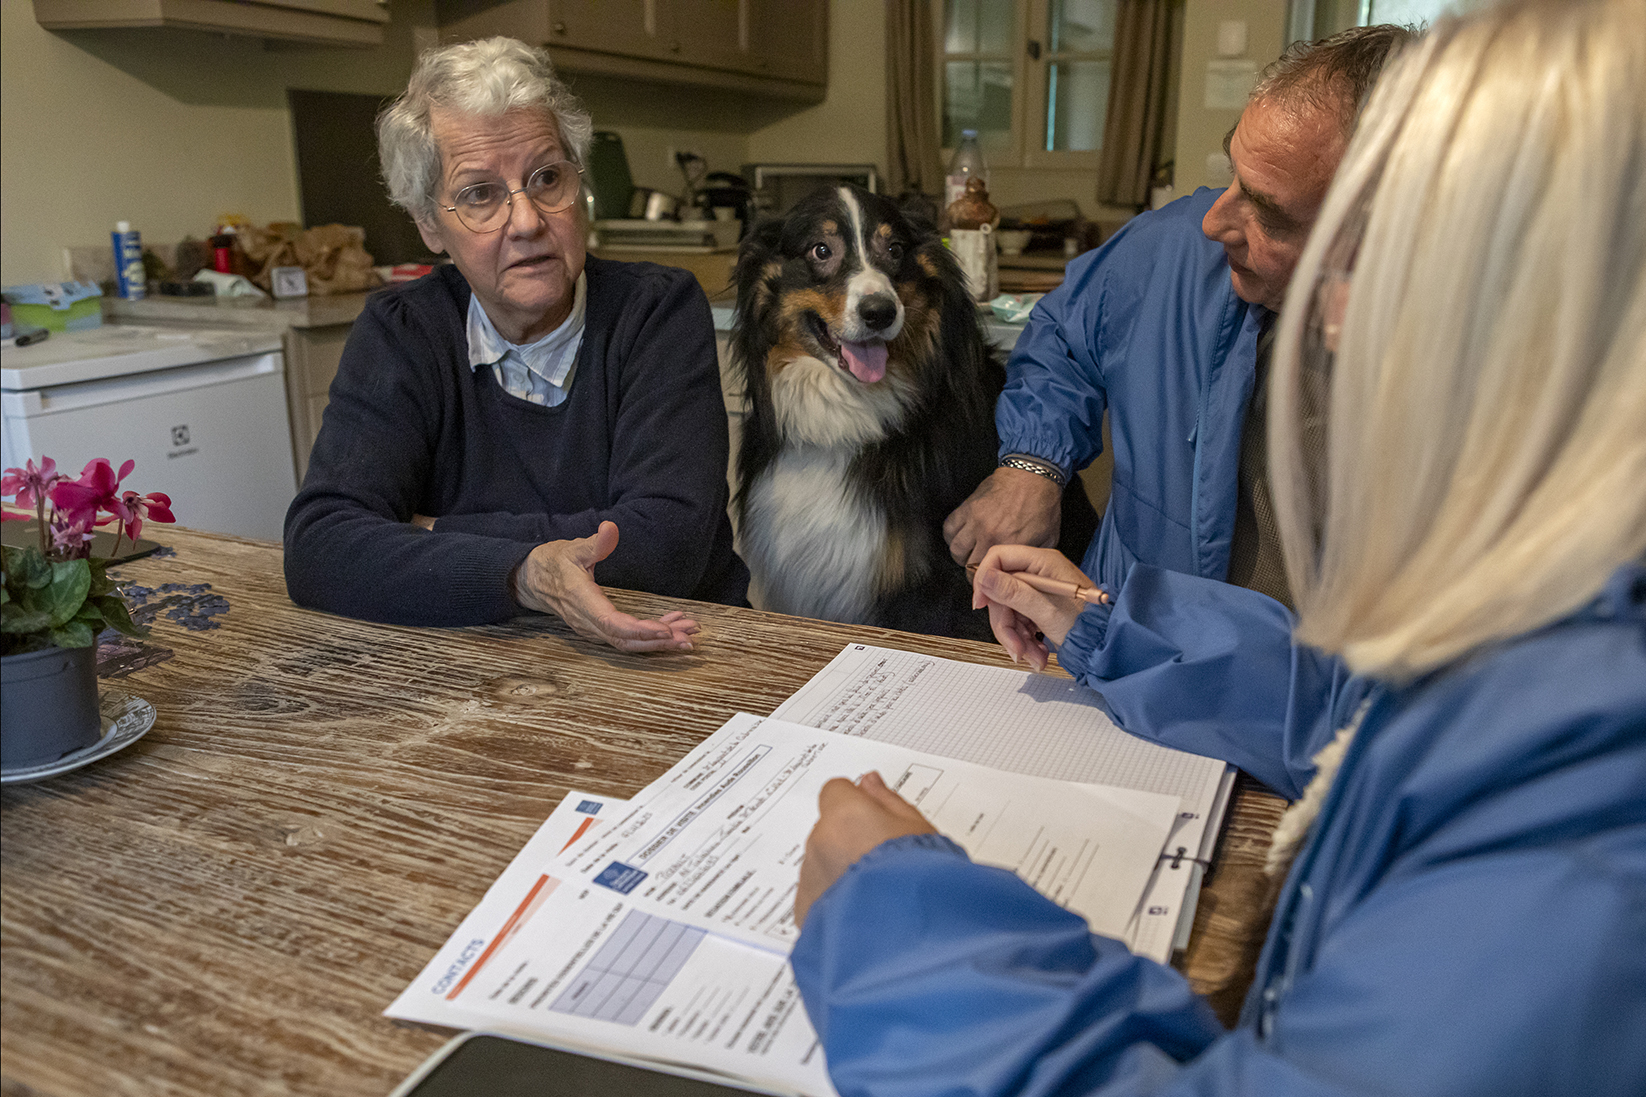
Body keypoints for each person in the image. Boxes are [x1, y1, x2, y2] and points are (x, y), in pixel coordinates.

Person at [791, 1, 1646, 1094]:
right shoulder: (1547, 623)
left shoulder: (1590, 846)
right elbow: (1352, 712)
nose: (1330, 323)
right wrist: (1111, 624)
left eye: (1385, 273)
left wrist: (897, 923)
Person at [284, 37, 748, 652]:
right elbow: (321, 547)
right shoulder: (403, 331)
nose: (527, 221)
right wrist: (527, 574)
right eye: (480, 193)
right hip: (477, 663)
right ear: (430, 225)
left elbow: (665, 545)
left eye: (546, 178)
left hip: (676, 650)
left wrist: (432, 531)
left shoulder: (656, 312)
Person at [944, 24, 1412, 611]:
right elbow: (1065, 333)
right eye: (1233, 175)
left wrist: (1106, 642)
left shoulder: (1468, 394)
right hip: (1116, 643)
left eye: (1269, 213)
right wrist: (1031, 466)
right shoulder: (1174, 249)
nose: (1215, 222)